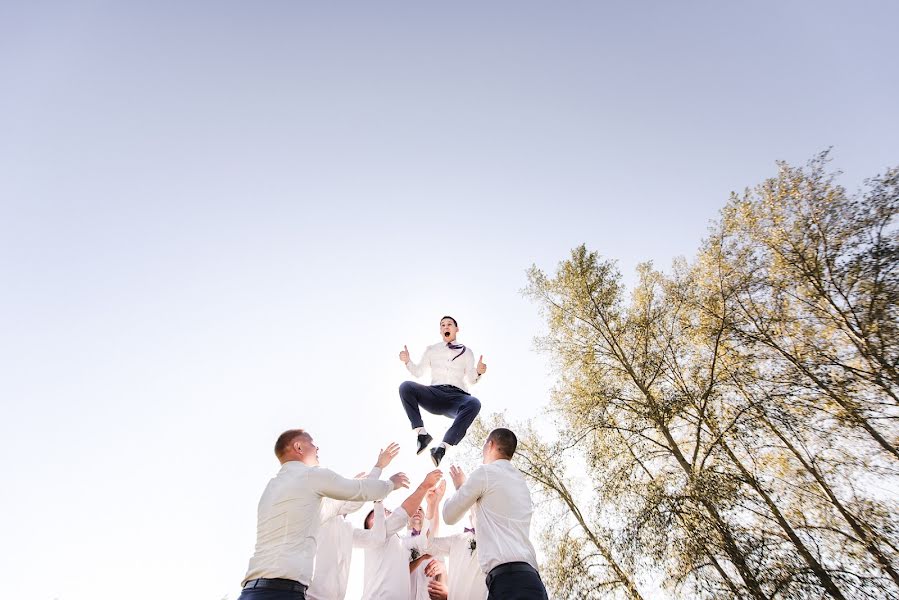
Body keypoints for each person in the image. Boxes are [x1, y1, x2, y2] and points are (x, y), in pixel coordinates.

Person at [239, 429, 409, 600]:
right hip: (284, 591)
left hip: (251, 590)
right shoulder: (311, 476)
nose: (317, 448)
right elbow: (357, 492)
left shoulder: (273, 488)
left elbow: (345, 503)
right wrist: (390, 484)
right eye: (312, 444)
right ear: (298, 447)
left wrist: (375, 470)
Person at [442, 428, 548, 600]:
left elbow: (449, 515)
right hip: (531, 580)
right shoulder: (521, 483)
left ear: (490, 445)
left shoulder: (485, 472)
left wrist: (461, 487)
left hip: (508, 582)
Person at [307, 442, 402, 600]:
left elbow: (377, 539)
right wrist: (378, 468)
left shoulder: (347, 530)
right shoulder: (321, 515)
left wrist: (378, 501)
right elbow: (357, 498)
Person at [399, 315, 487, 466]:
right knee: (406, 386)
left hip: (457, 398)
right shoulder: (432, 350)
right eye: (443, 325)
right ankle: (422, 434)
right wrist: (407, 361)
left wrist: (479, 371)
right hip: (435, 394)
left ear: (456, 329)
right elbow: (419, 372)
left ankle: (442, 448)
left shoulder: (466, 352)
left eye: (449, 324)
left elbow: (472, 379)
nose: (446, 327)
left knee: (475, 403)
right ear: (440, 330)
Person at [355, 469, 444, 600]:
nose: (382, 514)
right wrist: (424, 486)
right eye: (375, 516)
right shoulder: (374, 537)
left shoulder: (403, 544)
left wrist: (432, 504)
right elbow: (403, 512)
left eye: (386, 512)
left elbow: (428, 539)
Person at [425, 512, 487, 600]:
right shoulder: (457, 539)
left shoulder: (495, 543)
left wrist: (448, 596)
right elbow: (428, 545)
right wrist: (432, 504)